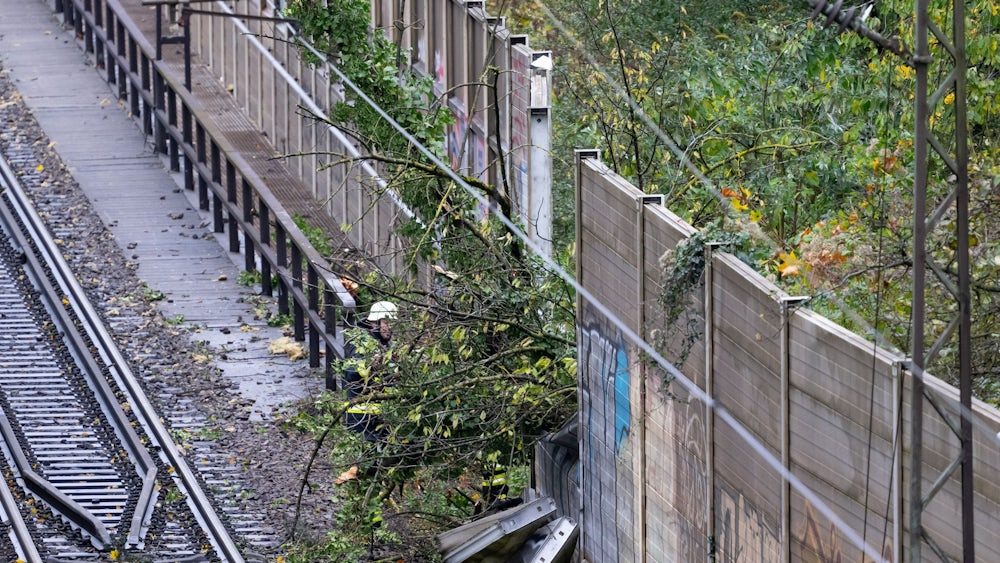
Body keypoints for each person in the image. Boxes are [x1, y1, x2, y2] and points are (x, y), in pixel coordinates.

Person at [343, 301, 397, 442]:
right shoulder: (362, 343)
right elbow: (350, 373)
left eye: (393, 323)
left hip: (381, 415)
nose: (390, 327)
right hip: (361, 417)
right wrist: (370, 366)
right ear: (374, 323)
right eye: (387, 323)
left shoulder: (385, 345)